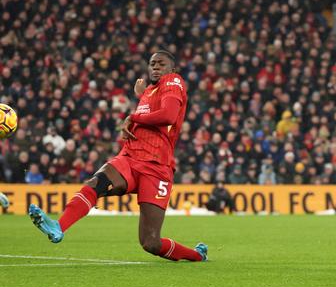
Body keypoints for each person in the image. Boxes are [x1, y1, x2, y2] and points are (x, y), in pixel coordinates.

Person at [28, 51, 208, 262]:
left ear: (172, 69)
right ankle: (59, 227)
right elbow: (152, 111)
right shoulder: (151, 91)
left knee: (151, 242)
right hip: (130, 158)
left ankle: (196, 255)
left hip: (157, 167)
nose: (156, 67)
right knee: (97, 182)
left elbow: (167, 115)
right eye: (152, 64)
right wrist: (142, 97)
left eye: (161, 63)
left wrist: (133, 116)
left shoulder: (174, 80)